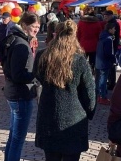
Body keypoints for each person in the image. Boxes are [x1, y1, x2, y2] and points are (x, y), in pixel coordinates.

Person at [33, 20, 96, 161]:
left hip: (49, 115)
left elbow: (38, 77)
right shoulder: (79, 61)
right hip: (74, 118)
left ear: (56, 34)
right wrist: (90, 112)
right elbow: (89, 94)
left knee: (51, 157)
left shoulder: (42, 56)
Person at [2, 12, 40, 161]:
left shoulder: (17, 40)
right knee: (17, 140)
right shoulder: (21, 44)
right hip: (20, 95)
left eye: (38, 26)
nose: (36, 29)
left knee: (13, 137)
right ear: (24, 25)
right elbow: (18, 74)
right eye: (33, 26)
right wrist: (35, 75)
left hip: (15, 93)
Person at [95, 22, 117, 105]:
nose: (115, 30)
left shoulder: (102, 36)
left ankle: (99, 95)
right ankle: (102, 97)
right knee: (103, 80)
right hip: (104, 62)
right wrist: (114, 59)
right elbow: (108, 53)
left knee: (100, 79)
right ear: (110, 29)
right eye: (113, 28)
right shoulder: (108, 39)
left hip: (99, 61)